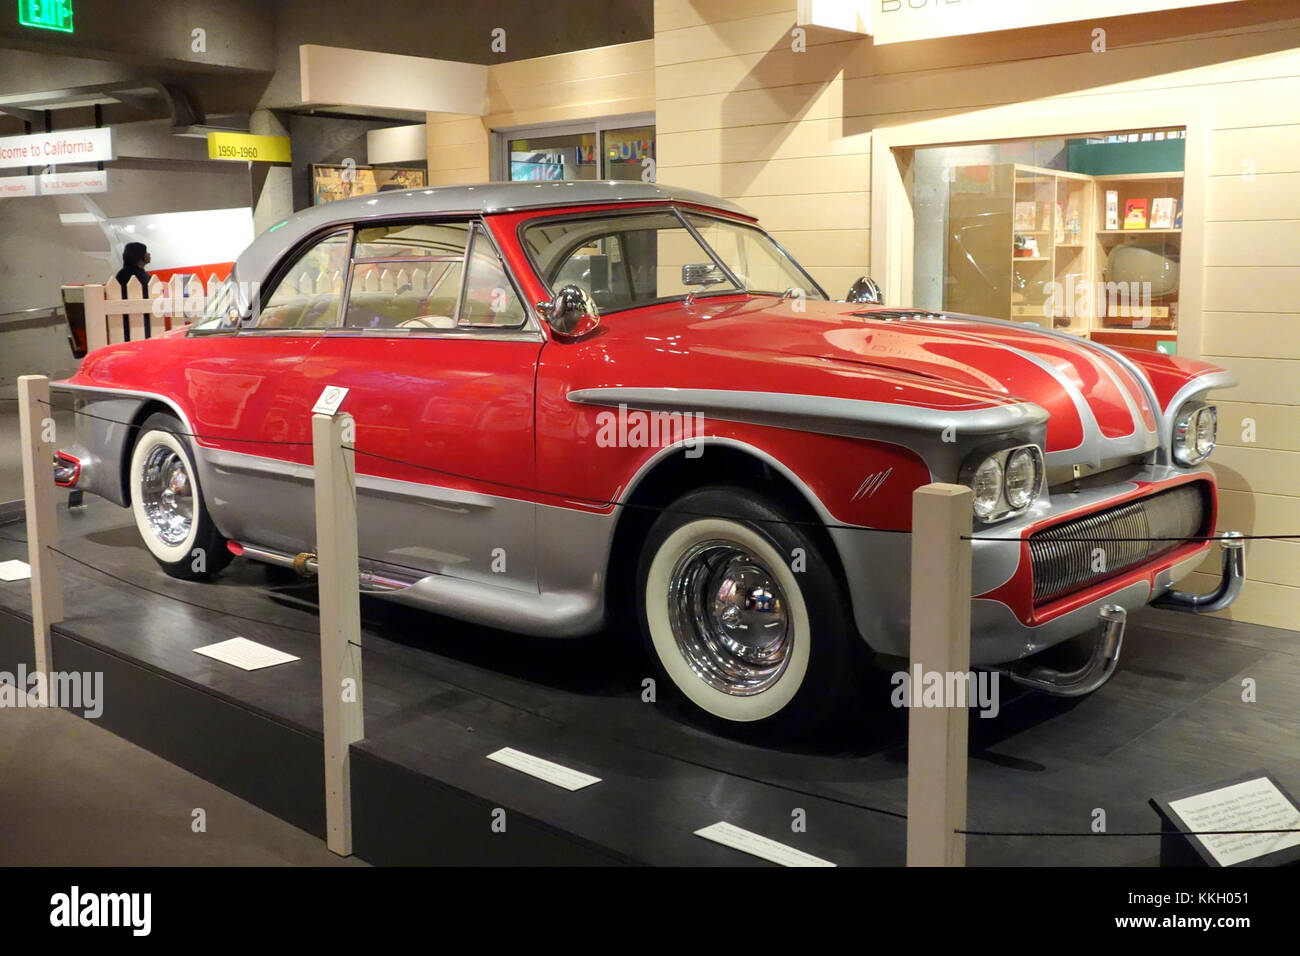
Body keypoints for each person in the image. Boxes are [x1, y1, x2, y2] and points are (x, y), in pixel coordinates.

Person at [114, 242, 153, 337]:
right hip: (136, 321)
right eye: (146, 252)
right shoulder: (134, 275)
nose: (149, 254)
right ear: (140, 256)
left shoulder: (123, 273)